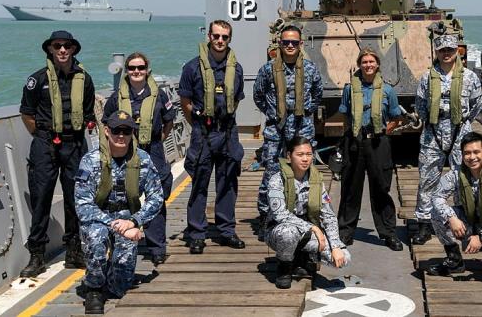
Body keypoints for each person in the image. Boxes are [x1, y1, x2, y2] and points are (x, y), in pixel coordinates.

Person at [19, 30, 96, 277]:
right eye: (57, 46)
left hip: (74, 144)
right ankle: (37, 256)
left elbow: (87, 112)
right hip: (45, 144)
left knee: (76, 199)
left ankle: (74, 251)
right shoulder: (36, 79)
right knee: (41, 198)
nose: (62, 50)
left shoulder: (85, 80)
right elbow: (27, 114)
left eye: (67, 46)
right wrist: (43, 137)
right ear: (50, 49)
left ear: (73, 49)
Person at [75, 110, 163, 314]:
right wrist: (117, 226)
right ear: (107, 131)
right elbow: (83, 205)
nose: (121, 136)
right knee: (97, 239)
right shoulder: (90, 161)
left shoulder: (142, 160)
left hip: (127, 217)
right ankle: (94, 288)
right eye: (116, 130)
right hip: (98, 216)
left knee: (119, 287)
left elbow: (157, 197)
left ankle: (113, 278)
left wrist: (135, 221)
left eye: (126, 131)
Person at [178, 20, 246, 254]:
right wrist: (198, 125)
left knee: (228, 183)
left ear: (229, 39)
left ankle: (226, 230)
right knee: (199, 184)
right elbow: (185, 102)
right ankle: (197, 233)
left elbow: (236, 99)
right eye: (216, 36)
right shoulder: (191, 68)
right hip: (203, 133)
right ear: (208, 36)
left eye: (224, 37)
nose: (220, 41)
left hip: (227, 132)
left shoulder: (236, 69)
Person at [103, 52, 176, 265]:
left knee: (157, 197)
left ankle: (156, 246)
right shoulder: (117, 97)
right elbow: (106, 122)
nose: (137, 72)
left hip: (153, 149)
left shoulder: (159, 96)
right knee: (123, 196)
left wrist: (159, 139)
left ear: (147, 70)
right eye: (132, 68)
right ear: (127, 71)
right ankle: (124, 239)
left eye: (141, 68)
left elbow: (169, 121)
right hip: (126, 151)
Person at [412, 33, 482, 245]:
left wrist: (461, 123)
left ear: (456, 52)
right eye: (442, 50)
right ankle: (424, 223)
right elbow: (420, 105)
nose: (446, 54)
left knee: (462, 179)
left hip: (459, 132)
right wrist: (432, 122)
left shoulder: (470, 77)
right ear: (437, 52)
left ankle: (463, 221)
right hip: (432, 133)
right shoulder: (427, 77)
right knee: (427, 180)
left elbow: (476, 105)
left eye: (450, 51)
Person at [253, 25, 323, 237]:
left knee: (303, 171)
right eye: (286, 42)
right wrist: (272, 113)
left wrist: (307, 110)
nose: (290, 46)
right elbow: (258, 94)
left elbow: (317, 93)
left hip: (302, 126)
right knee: (272, 172)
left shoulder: (310, 69)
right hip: (276, 128)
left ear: (300, 44)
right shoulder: (268, 70)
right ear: (280, 44)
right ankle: (266, 217)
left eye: (294, 42)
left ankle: (303, 216)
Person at [336, 48, 403, 251]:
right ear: (359, 64)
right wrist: (350, 137)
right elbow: (345, 114)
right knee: (350, 189)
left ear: (377, 64)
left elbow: (395, 116)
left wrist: (383, 131)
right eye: (364, 62)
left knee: (381, 188)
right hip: (355, 142)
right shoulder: (349, 89)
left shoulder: (388, 91)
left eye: (371, 62)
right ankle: (345, 232)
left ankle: (388, 233)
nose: (368, 65)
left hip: (378, 143)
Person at [425, 132, 482, 280]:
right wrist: (451, 218)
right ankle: (455, 260)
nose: (472, 157)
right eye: (467, 153)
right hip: (468, 221)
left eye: (476, 152)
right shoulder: (456, 174)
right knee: (436, 214)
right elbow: (436, 196)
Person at [265, 136, 351, 289]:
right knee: (288, 233)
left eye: (309, 154)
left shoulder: (316, 180)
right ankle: (284, 268)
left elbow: (328, 216)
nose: (305, 159)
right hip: (279, 231)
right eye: (300, 154)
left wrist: (336, 246)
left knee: (344, 258)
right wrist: (313, 228)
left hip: (306, 234)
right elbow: (280, 215)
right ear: (288, 156)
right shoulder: (277, 180)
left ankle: (302, 257)